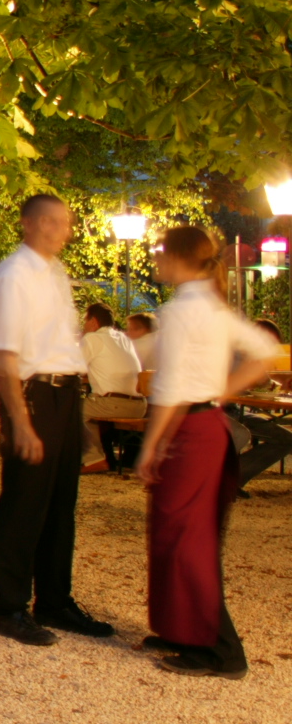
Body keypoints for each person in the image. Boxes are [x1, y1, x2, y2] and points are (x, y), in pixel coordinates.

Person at [137, 225, 280, 679]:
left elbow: (172, 386)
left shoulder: (183, 310)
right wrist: (223, 393)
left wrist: (152, 443)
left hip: (190, 428)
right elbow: (265, 352)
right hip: (206, 425)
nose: (156, 259)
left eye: (161, 252)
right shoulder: (210, 306)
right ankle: (183, 630)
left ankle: (220, 649)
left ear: (179, 257)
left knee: (185, 537)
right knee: (179, 532)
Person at [0, 193, 110, 647]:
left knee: (59, 504)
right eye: (52, 222)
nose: (63, 231)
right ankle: (8, 606)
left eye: (67, 222)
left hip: (66, 391)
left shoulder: (53, 274)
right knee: (24, 502)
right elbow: (6, 356)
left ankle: (54, 600)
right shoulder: (13, 277)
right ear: (29, 224)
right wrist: (21, 420)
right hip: (35, 393)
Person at [80, 301, 145, 474]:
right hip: (139, 405)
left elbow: (75, 368)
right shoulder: (124, 339)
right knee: (91, 406)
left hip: (114, 403)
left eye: (85, 321)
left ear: (93, 321)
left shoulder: (92, 338)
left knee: (72, 411)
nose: (83, 326)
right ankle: (101, 456)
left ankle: (95, 459)